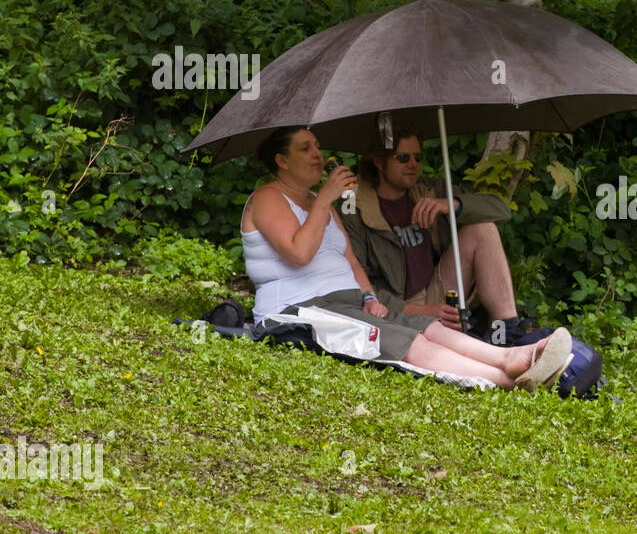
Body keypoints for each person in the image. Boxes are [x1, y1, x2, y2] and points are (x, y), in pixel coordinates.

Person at [240, 126, 571, 390]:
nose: (318, 154)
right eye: (305, 148)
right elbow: (299, 253)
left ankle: (511, 355)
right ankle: (507, 380)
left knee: (430, 328)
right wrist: (327, 198)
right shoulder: (269, 197)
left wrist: (368, 296)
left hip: (351, 302)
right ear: (282, 161)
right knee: (405, 340)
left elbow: (350, 261)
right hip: (304, 308)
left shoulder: (321, 201)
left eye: (316, 146)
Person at [341, 128, 532, 340]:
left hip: (438, 287)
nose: (413, 164)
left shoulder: (429, 189)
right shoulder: (353, 206)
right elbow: (357, 280)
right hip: (399, 305)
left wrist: (451, 204)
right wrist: (421, 311)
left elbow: (501, 210)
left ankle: (507, 331)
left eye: (418, 157)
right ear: (378, 162)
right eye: (403, 158)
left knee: (482, 229)